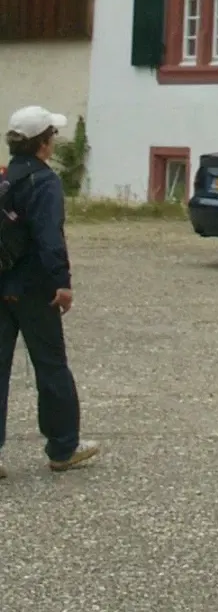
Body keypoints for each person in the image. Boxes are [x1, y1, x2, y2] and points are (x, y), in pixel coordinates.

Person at [0, 106, 97, 475]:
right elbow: (48, 237)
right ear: (43, 143)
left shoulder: (6, 179)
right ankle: (62, 447)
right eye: (52, 136)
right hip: (34, 288)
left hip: (1, 283)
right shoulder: (44, 182)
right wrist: (62, 282)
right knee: (51, 367)